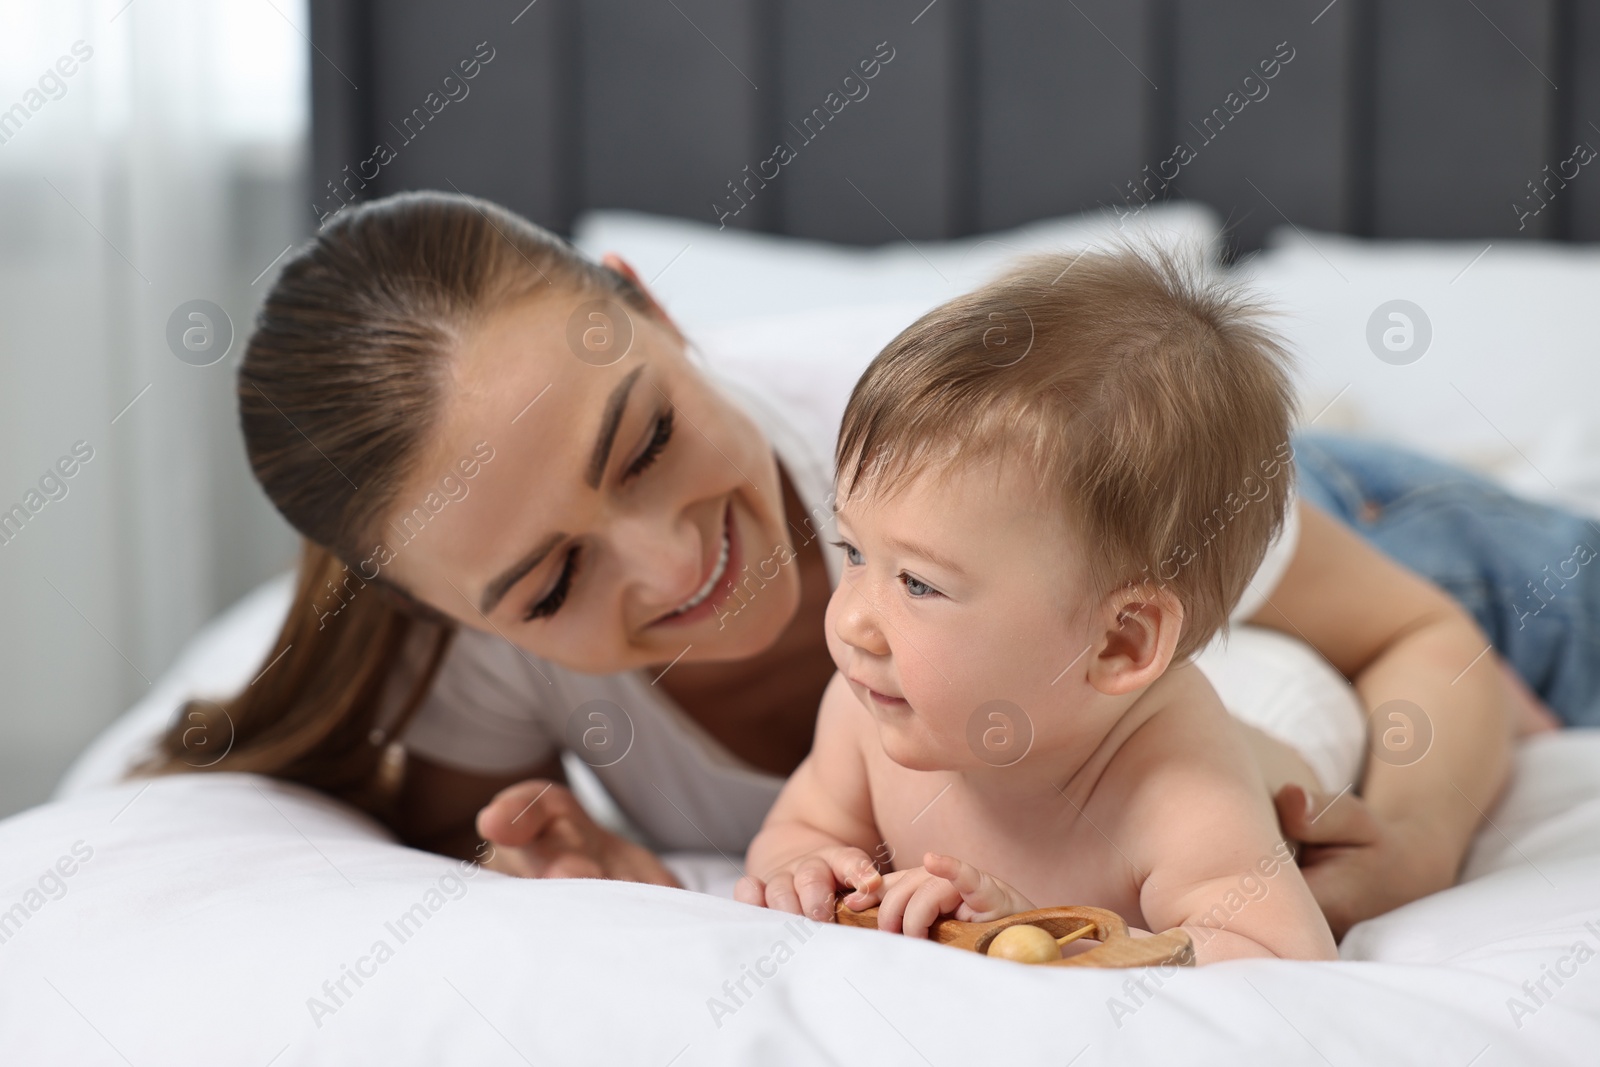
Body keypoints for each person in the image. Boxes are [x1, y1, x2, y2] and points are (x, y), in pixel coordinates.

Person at [133, 192, 1557, 939]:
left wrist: (1424, 836)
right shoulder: (465, 653)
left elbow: (1424, 636)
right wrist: (606, 875)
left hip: (1356, 507)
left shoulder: (975, 447)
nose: (675, 557)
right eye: (550, 584)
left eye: (643, 441)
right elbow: (470, 837)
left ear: (655, 312)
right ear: (447, 613)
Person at [736, 249, 1341, 963]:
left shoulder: (1174, 783)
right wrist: (806, 869)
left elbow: (1281, 955)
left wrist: (1055, 931)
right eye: (855, 552)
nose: (849, 622)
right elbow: (800, 828)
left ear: (1118, 642)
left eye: (919, 584)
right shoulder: (869, 706)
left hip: (1292, 718)